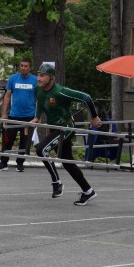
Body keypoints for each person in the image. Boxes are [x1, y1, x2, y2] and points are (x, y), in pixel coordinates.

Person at [30, 63, 101, 206]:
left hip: (66, 127)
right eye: (38, 75)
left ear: (51, 78)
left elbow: (86, 97)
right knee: (67, 162)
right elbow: (40, 102)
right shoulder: (38, 89)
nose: (38, 78)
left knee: (41, 150)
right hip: (54, 128)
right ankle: (88, 191)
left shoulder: (60, 91)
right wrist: (37, 117)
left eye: (42, 75)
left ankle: (57, 183)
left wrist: (94, 117)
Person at [0, 58, 37, 172]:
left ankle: (20, 163)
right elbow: (7, 96)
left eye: (26, 66)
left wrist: (38, 116)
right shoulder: (13, 78)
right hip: (14, 115)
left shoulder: (35, 80)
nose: (23, 68)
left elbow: (39, 99)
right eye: (22, 65)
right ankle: (3, 163)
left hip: (28, 117)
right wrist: (4, 114)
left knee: (24, 141)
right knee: (7, 140)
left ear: (30, 67)